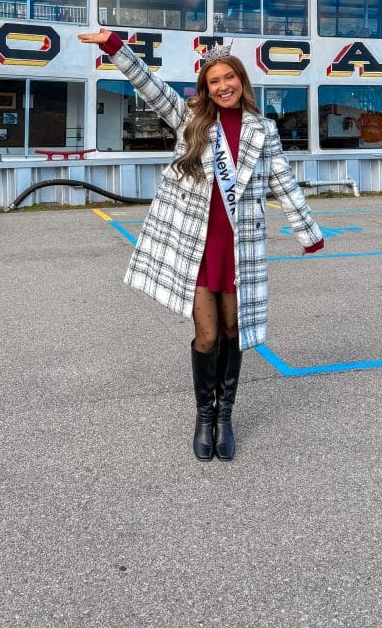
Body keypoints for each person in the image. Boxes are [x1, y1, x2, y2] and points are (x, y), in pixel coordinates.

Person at [77, 29, 325, 462]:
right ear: (205, 89)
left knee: (233, 331)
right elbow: (149, 86)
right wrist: (114, 44)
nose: (223, 86)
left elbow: (283, 181)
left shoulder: (262, 129)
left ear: (241, 81)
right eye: (214, 81)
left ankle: (225, 415)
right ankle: (203, 417)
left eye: (229, 77)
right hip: (196, 244)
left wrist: (308, 232)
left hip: (238, 246)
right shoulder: (190, 117)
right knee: (207, 335)